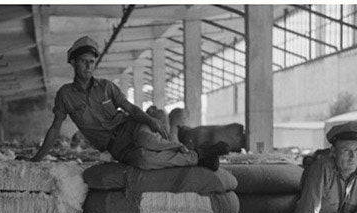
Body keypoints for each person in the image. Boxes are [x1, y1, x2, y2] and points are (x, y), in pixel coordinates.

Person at [30, 37, 228, 169]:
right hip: (116, 147)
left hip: (132, 128)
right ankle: (199, 156)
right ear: (73, 63)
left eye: (92, 62)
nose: (88, 66)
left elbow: (130, 108)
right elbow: (55, 128)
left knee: (147, 140)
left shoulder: (107, 87)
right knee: (143, 160)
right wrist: (37, 158)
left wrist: (151, 121)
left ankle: (189, 151)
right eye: (83, 61)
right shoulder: (65, 95)